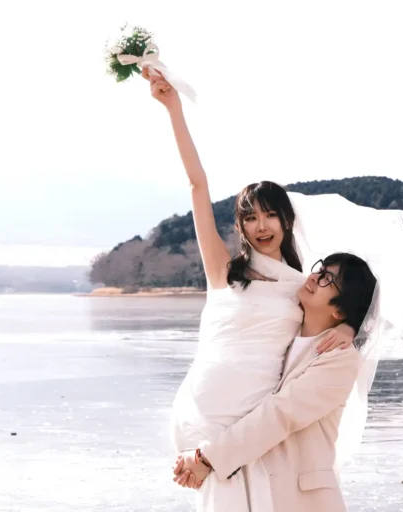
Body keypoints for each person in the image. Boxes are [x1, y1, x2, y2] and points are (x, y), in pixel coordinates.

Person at [143, 68, 356, 512]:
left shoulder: (303, 289)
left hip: (245, 421)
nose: (262, 226)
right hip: (200, 411)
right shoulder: (222, 272)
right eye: (250, 217)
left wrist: (351, 326)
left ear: (286, 221)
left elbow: (337, 316)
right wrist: (173, 108)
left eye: (270, 215)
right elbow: (197, 184)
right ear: (240, 227)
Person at [173, 252, 377, 512]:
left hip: (303, 500)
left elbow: (280, 414)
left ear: (339, 310)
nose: (314, 277)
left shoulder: (340, 358)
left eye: (328, 279)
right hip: (255, 489)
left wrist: (207, 458)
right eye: (319, 269)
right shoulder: (280, 337)